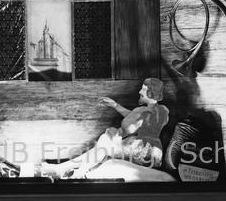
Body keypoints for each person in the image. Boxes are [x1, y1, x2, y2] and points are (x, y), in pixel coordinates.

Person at [43, 78, 176, 182]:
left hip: (143, 151)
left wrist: (117, 134)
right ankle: (67, 169)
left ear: (150, 93)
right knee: (103, 144)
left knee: (105, 141)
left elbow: (132, 125)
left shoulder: (145, 111)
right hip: (151, 151)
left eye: (143, 89)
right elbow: (136, 117)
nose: (140, 92)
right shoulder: (159, 110)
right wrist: (115, 105)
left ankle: (74, 172)